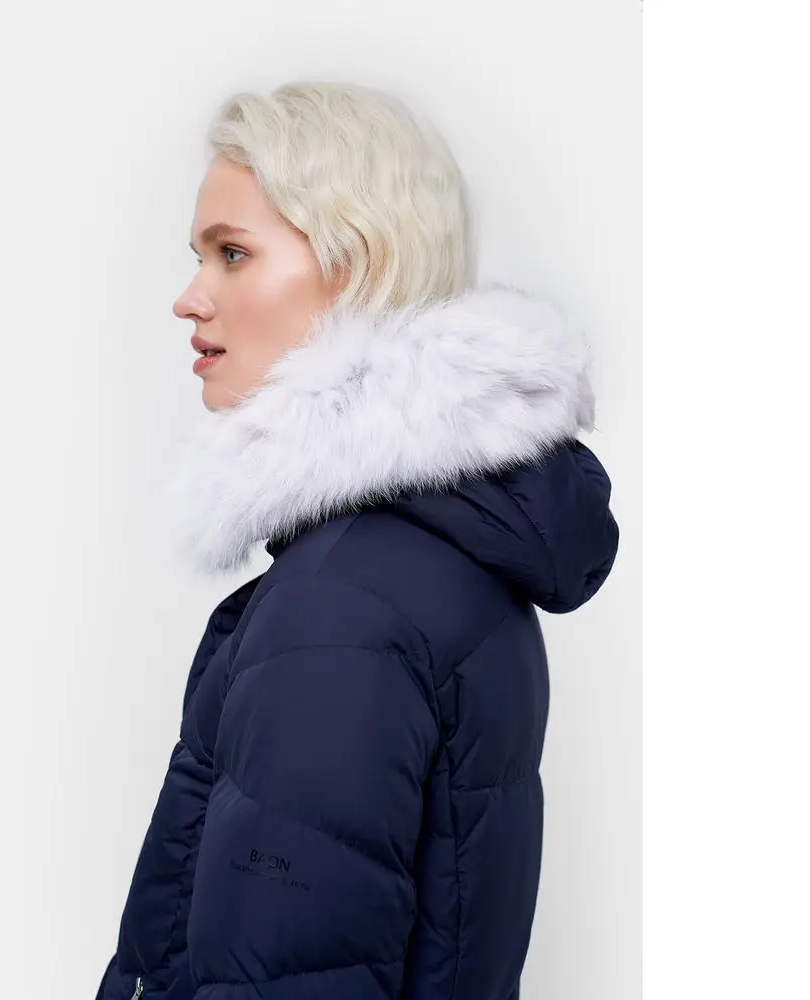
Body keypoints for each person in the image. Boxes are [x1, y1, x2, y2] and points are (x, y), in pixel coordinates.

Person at [94, 80, 620, 1000]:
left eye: (232, 254)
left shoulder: (341, 607)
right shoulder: (435, 558)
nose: (190, 299)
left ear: (358, 265)